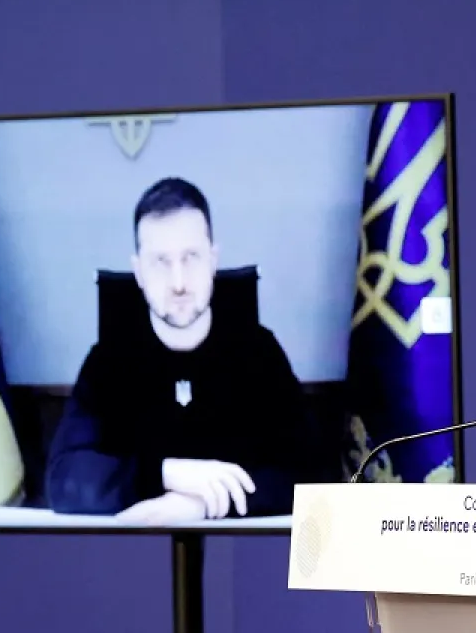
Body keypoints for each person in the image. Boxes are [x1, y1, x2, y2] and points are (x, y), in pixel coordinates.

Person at [46, 178, 306, 524]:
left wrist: (201, 506)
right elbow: (65, 479)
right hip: (139, 557)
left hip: (239, 555)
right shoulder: (108, 361)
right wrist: (164, 473)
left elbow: (309, 473)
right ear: (138, 271)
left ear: (213, 261)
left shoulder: (259, 352)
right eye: (160, 262)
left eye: (191, 258)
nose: (179, 282)